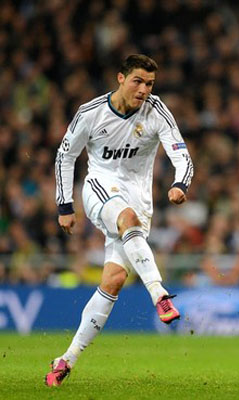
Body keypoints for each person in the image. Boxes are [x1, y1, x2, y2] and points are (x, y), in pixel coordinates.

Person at [45, 54, 194, 387]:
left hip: (138, 200)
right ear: (121, 78)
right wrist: (65, 204)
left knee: (113, 280)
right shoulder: (91, 112)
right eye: (138, 81)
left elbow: (182, 156)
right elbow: (65, 156)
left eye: (150, 84)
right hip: (100, 186)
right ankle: (159, 294)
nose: (144, 90)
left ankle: (66, 359)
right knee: (126, 218)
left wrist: (180, 184)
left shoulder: (156, 111)